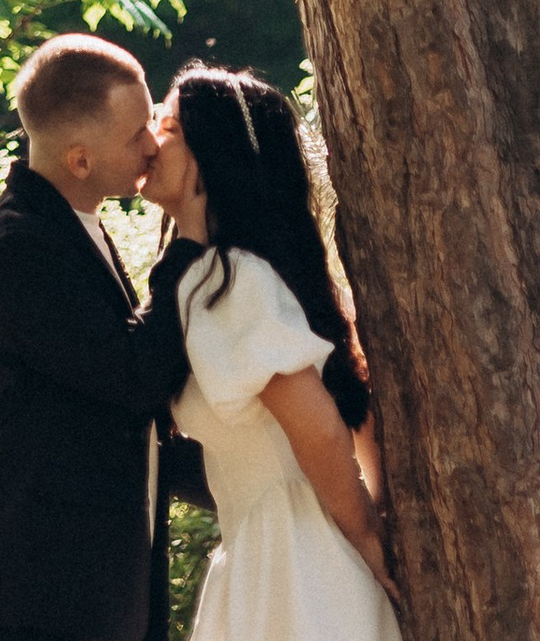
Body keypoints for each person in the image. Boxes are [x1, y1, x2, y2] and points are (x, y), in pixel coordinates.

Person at [0, 33, 205, 641]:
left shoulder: (69, 223)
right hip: (40, 591)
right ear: (81, 160)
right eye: (136, 135)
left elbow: (113, 419)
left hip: (101, 586)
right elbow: (133, 376)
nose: (152, 145)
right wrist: (190, 239)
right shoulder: (17, 247)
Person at [141, 64, 399, 641]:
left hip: (303, 567)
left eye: (170, 126)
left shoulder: (232, 280)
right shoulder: (215, 278)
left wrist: (365, 535)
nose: (150, 138)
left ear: (213, 153)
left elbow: (321, 429)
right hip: (271, 557)